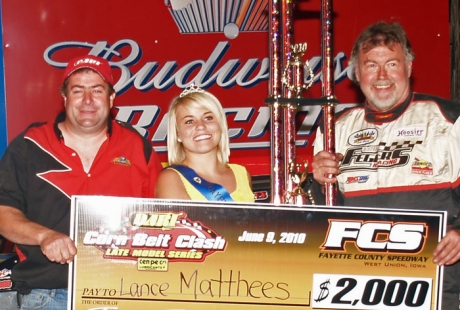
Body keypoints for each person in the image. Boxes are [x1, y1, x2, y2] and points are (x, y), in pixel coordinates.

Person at [309, 21, 460, 309]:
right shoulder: (333, 129)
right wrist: (317, 182)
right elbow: (320, 218)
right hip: (358, 285)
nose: (381, 76)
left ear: (409, 68)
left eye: (392, 64)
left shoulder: (449, 119)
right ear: (356, 73)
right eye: (371, 65)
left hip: (437, 282)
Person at [0, 55, 162, 309]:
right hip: (49, 295)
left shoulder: (138, 147)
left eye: (97, 90)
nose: (88, 100)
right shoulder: (30, 146)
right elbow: (4, 213)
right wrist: (45, 236)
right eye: (78, 91)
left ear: (111, 98)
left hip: (126, 292)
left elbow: (165, 216)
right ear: (65, 98)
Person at [155, 84, 254, 202]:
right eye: (189, 121)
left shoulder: (242, 174)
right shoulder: (171, 178)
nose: (201, 126)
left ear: (220, 125)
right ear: (177, 134)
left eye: (208, 118)